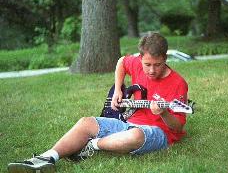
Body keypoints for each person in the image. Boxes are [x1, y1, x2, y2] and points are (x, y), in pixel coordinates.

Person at [8, 32, 189, 172]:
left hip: (157, 133)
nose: (151, 70)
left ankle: (92, 145)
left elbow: (178, 128)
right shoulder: (136, 62)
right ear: (140, 58)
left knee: (135, 136)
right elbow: (121, 62)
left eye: (157, 65)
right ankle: (45, 159)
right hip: (128, 122)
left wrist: (164, 112)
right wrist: (118, 88)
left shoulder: (178, 83)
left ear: (165, 58)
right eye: (147, 64)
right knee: (86, 122)